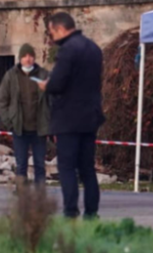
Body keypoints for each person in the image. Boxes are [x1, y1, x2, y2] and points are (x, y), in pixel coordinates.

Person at [44, 12, 105, 220]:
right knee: (88, 168)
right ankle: (91, 212)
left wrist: (47, 85)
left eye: (52, 32)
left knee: (67, 167)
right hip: (90, 117)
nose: (51, 37)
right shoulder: (94, 49)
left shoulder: (68, 50)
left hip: (68, 119)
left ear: (60, 29)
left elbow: (58, 84)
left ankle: (70, 211)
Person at [0, 42, 50, 186]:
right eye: (25, 56)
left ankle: (40, 197)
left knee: (39, 165)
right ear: (20, 58)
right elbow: (2, 100)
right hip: (19, 129)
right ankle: (22, 197)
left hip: (39, 129)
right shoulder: (11, 76)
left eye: (31, 56)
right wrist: (9, 121)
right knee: (21, 165)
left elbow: (54, 99)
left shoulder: (43, 74)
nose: (28, 59)